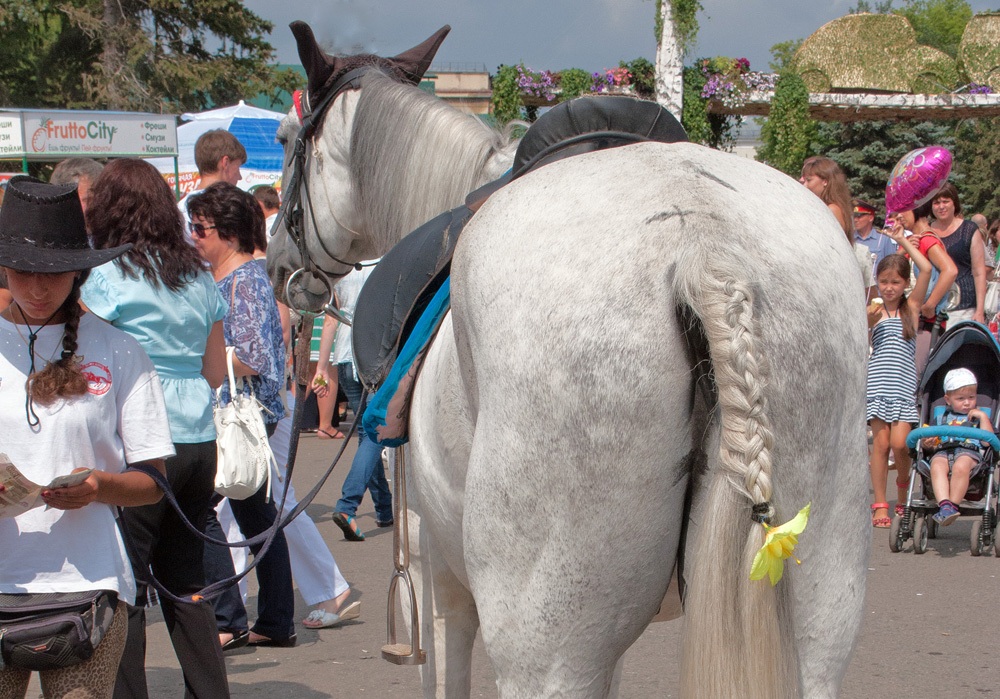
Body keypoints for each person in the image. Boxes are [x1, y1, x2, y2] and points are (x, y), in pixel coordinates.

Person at [0, 177, 172, 698]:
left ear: (76, 270)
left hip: (88, 586)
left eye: (50, 274)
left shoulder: (120, 351)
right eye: (23, 272)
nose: (35, 287)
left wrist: (99, 487)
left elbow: (153, 482)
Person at [80, 159, 231, 699]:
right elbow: (214, 371)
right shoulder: (198, 275)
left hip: (139, 443)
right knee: (188, 584)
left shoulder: (106, 276)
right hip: (198, 438)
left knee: (127, 588)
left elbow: (85, 364)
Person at [187, 182, 297, 649]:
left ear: (228, 234)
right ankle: (273, 622)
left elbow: (252, 356)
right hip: (240, 411)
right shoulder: (232, 279)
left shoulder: (245, 280)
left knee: (202, 509)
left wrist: (199, 356)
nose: (194, 236)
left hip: (243, 412)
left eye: (201, 229)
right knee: (256, 518)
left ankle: (230, 619)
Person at [313, 265, 393, 542]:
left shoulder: (342, 267)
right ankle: (348, 506)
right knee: (373, 433)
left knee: (366, 437)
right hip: (375, 354)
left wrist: (322, 368)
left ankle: (384, 508)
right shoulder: (383, 260)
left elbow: (330, 320)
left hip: (346, 357)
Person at [866, 222, 933, 528]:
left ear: (905, 283)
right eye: (883, 281)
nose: (889, 287)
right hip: (878, 384)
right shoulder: (874, 310)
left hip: (903, 387)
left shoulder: (912, 307)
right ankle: (880, 502)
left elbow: (927, 269)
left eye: (895, 281)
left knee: (899, 445)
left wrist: (903, 242)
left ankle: (903, 490)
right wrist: (865, 321)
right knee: (879, 446)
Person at [922, 368, 995, 526]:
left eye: (971, 397)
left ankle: (953, 506)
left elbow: (988, 442)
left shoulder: (979, 417)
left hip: (969, 452)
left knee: (961, 466)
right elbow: (930, 440)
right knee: (936, 465)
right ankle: (945, 505)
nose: (967, 402)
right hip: (943, 451)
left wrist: (983, 417)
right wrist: (927, 443)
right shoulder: (940, 418)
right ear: (948, 399)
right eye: (960, 398)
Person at [799, 156, 876, 297]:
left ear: (825, 182)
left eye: (809, 180)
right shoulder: (832, 207)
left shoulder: (832, 209)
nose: (805, 185)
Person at [930, 182, 986, 325]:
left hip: (965, 308)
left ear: (954, 203)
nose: (941, 206)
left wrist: (979, 311)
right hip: (933, 309)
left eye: (945, 201)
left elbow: (979, 273)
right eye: (936, 202)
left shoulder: (969, 229)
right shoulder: (927, 232)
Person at [177, 130, 246, 240]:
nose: (239, 176)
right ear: (225, 163)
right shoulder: (232, 206)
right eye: (237, 167)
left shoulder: (180, 209)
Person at [852, 198, 896, 270]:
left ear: (871, 218)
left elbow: (892, 264)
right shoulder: (849, 238)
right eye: (854, 216)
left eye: (859, 216)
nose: (855, 220)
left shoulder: (883, 239)